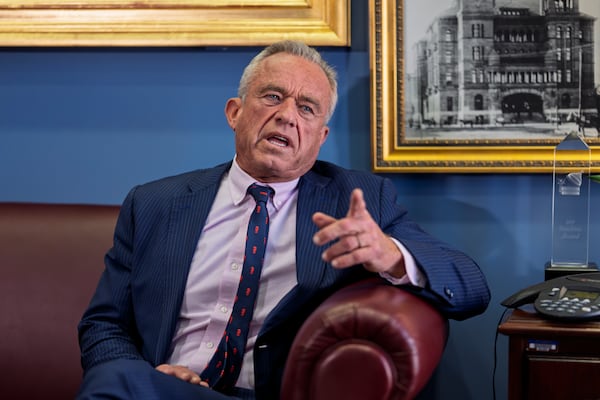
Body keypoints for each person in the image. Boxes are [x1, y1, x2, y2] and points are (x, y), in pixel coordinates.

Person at [77, 40, 490, 400]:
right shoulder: (154, 203)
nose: (287, 116)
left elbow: (471, 287)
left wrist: (388, 254)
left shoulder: (356, 200)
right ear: (234, 112)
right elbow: (104, 323)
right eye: (273, 97)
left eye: (307, 108)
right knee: (115, 379)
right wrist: (149, 378)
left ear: (320, 136)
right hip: (157, 389)